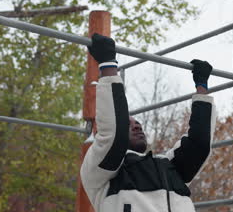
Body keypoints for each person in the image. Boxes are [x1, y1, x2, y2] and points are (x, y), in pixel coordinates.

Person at [81, 33, 217, 212]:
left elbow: (199, 144)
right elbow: (114, 136)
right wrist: (107, 64)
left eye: (138, 123)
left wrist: (201, 86)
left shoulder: (169, 167)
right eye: (128, 124)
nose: (137, 126)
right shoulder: (102, 171)